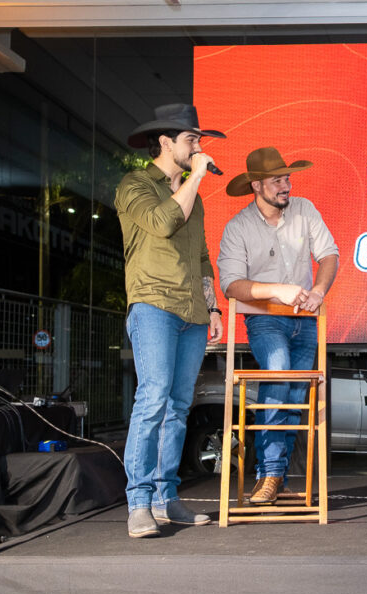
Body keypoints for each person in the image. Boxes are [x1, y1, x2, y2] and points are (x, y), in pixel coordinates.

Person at [116, 103, 225, 538]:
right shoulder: (135, 184)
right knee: (153, 399)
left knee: (179, 407)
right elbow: (162, 223)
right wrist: (195, 177)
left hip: (192, 313)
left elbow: (201, 256)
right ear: (165, 142)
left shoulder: (192, 196)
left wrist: (213, 307)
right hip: (153, 305)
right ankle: (138, 502)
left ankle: (166, 497)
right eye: (191, 140)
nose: (198, 147)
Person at [217, 147, 339, 504]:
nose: (286, 186)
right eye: (277, 181)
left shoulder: (305, 209)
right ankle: (269, 473)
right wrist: (276, 290)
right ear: (256, 185)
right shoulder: (238, 226)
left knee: (296, 395)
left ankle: (276, 477)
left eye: (287, 179)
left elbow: (329, 255)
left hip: (305, 320)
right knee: (279, 372)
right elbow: (231, 285)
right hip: (265, 319)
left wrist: (318, 291)